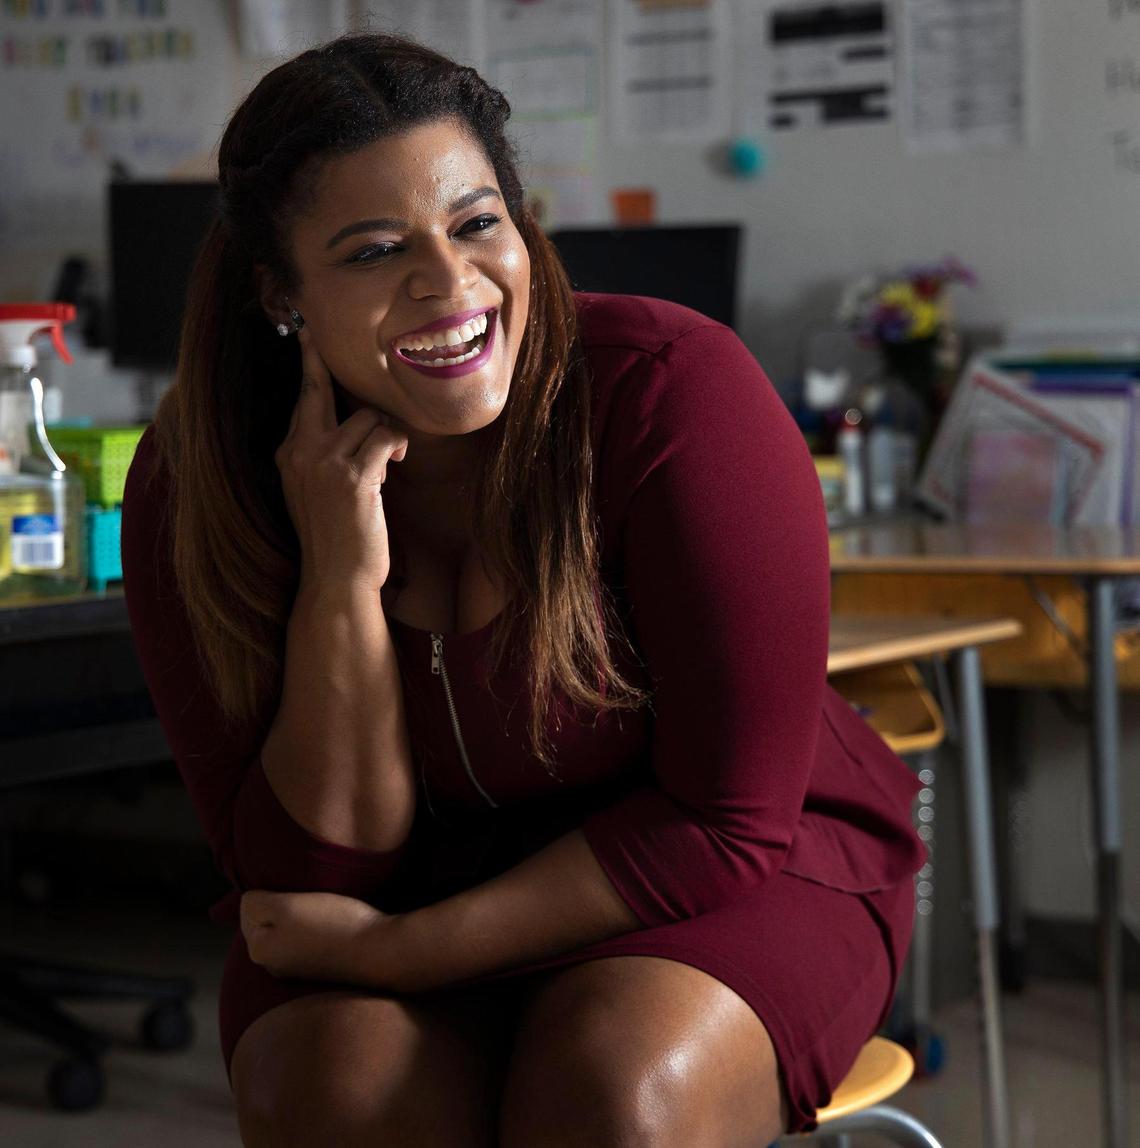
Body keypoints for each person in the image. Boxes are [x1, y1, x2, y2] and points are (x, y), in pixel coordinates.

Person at [121, 32, 925, 1148]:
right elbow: (300, 876)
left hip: (724, 882)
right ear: (280, 292)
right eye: (371, 250)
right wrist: (342, 585)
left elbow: (723, 821)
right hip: (394, 892)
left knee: (614, 1084)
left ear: (520, 219)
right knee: (332, 1080)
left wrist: (398, 951)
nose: (449, 285)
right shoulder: (196, 481)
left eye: (476, 223)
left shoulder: (671, 395)